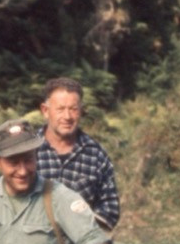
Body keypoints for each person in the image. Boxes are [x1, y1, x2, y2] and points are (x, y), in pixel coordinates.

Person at [35, 77, 120, 231]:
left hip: (81, 241)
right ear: (45, 111)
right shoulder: (27, 151)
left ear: (80, 111)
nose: (67, 117)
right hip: (32, 238)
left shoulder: (96, 155)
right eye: (60, 109)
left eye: (73, 109)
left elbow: (110, 209)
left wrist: (84, 233)